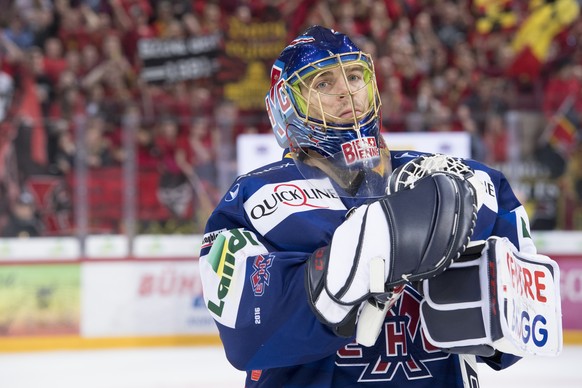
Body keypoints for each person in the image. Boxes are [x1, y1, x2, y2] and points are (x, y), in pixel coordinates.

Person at [199, 26, 561, 387]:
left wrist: (485, 290)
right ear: (285, 105)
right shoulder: (255, 196)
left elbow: (519, 335)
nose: (347, 91)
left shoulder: (467, 182)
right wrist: (346, 270)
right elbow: (246, 333)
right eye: (323, 84)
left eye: (354, 76)